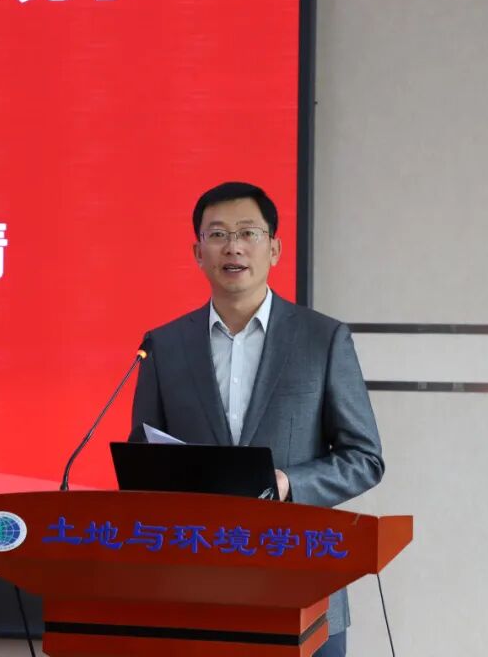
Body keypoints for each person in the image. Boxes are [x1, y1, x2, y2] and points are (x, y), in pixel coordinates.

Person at [128, 181, 385, 657]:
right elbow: (143, 456)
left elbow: (364, 458)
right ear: (198, 252)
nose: (234, 247)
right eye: (217, 235)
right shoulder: (163, 345)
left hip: (303, 584)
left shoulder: (322, 339)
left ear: (275, 249)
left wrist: (289, 483)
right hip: (195, 589)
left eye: (248, 232)